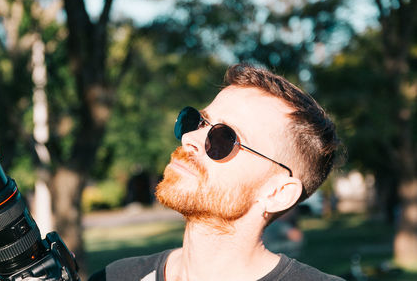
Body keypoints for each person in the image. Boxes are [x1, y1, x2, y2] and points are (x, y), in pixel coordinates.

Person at [88, 63, 344, 281]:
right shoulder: (116, 276)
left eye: (224, 138)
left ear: (278, 192)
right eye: (199, 121)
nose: (191, 138)